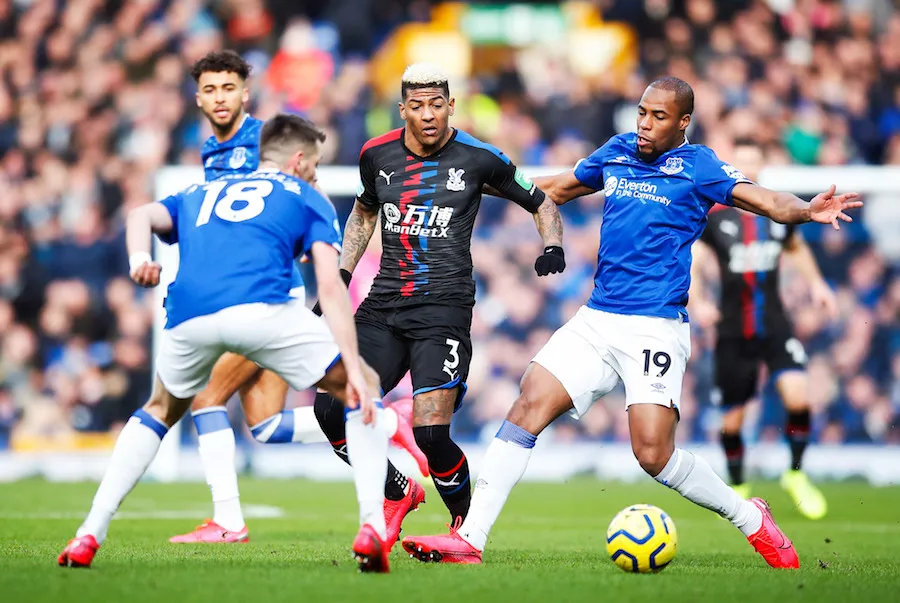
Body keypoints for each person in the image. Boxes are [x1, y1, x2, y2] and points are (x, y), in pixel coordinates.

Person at [400, 76, 860, 568]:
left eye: (658, 117)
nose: (644, 123)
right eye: (641, 112)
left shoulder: (699, 166)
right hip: (598, 319)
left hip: (654, 326)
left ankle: (750, 518)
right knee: (529, 400)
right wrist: (477, 181)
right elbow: (555, 188)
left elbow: (765, 200)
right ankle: (471, 539)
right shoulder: (617, 151)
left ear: (683, 122)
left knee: (653, 453)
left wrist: (806, 210)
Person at [58, 114, 395, 573]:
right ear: (297, 162)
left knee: (159, 409)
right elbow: (330, 288)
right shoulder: (306, 197)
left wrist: (140, 259)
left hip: (188, 316)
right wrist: (353, 365)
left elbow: (141, 215)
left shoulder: (200, 192)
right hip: (265, 310)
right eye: (314, 166)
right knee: (362, 387)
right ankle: (373, 524)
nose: (316, 175)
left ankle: (88, 534)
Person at [170, 51, 427, 545]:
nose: (220, 99)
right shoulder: (210, 150)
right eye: (210, 90)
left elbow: (296, 192)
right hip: (242, 291)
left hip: (262, 293)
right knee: (264, 426)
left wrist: (305, 241)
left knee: (205, 397)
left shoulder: (266, 141)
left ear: (245, 93)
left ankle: (227, 521)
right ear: (198, 96)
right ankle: (394, 452)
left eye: (229, 88)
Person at [312, 63, 566, 533]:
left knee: (431, 433)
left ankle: (464, 528)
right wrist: (342, 276)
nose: (428, 115)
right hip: (383, 306)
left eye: (437, 104)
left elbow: (541, 201)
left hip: (443, 311)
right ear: (403, 109)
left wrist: (552, 243)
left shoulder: (479, 156)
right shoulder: (376, 154)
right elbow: (363, 213)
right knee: (329, 407)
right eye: (417, 105)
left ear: (450, 106)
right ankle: (396, 489)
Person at [689, 140, 835, 519]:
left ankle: (796, 475)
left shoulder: (777, 213)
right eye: (744, 163)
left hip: (774, 321)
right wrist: (698, 298)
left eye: (756, 162)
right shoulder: (717, 218)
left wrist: (817, 284)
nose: (750, 169)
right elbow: (695, 259)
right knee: (733, 420)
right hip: (733, 328)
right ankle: (737, 486)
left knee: (799, 396)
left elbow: (797, 247)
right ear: (734, 168)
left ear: (763, 167)